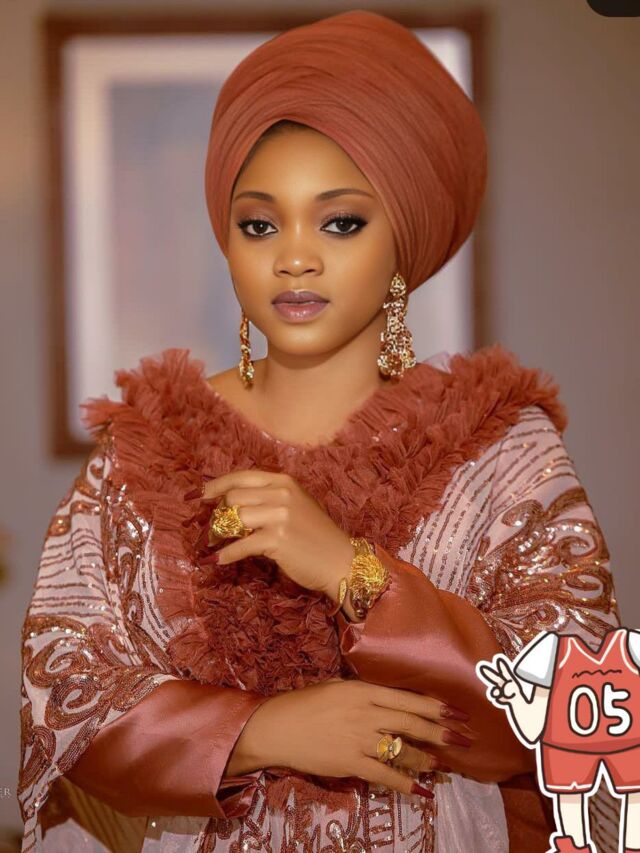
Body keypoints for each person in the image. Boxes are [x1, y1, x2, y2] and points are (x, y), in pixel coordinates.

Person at [18, 9, 622, 853]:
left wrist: (352, 570)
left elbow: (576, 710)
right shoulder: (148, 450)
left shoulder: (501, 452)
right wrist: (263, 730)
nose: (294, 257)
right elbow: (63, 691)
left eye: (340, 222)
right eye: (260, 224)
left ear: (404, 237)